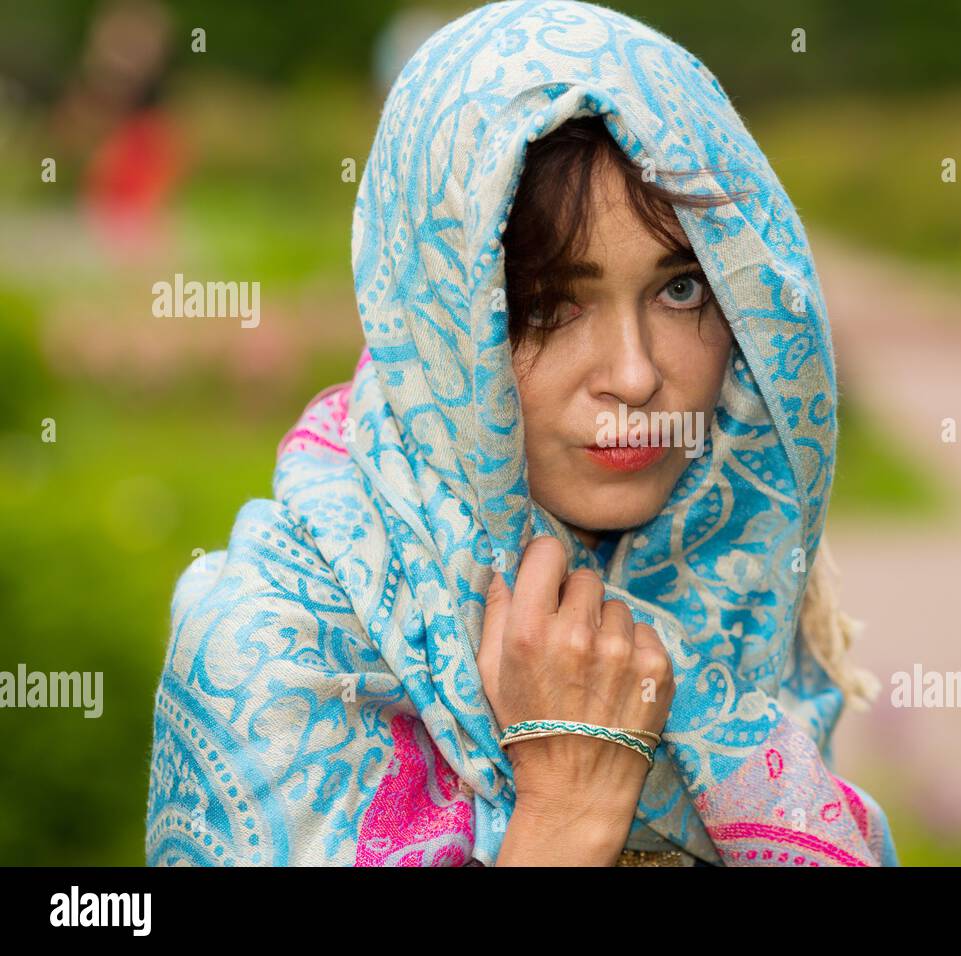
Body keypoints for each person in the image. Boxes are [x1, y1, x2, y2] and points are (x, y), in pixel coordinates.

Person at [145, 0, 899, 867]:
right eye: (545, 305)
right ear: (436, 318)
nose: (635, 373)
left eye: (682, 289)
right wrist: (569, 813)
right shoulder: (270, 649)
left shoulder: (729, 594)